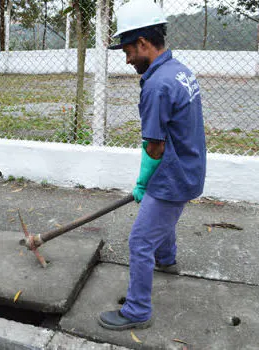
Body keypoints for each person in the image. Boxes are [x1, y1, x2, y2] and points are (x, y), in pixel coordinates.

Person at [98, 0, 206, 330]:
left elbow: (155, 147)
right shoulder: (180, 70)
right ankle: (167, 260)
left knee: (140, 241)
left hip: (171, 176)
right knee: (164, 220)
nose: (128, 59)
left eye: (128, 51)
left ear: (143, 43)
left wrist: (143, 182)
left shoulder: (157, 85)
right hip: (190, 167)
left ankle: (137, 310)